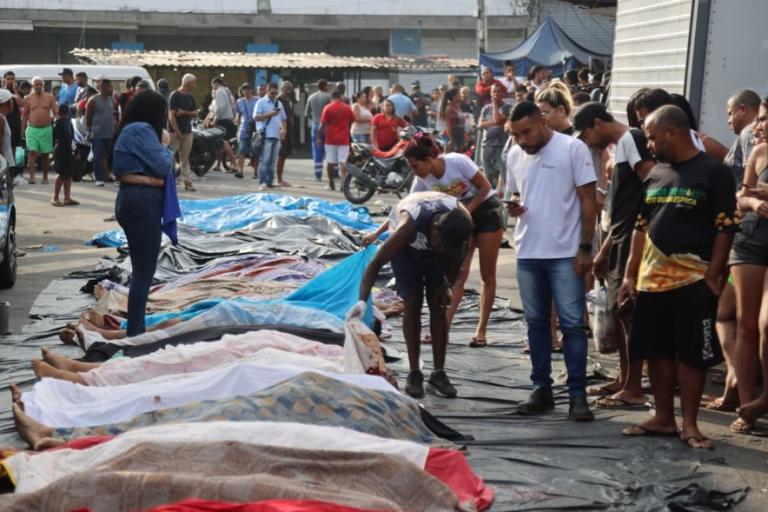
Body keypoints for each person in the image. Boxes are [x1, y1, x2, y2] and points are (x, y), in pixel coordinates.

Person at [618, 105, 738, 450]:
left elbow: (725, 228)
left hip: (694, 281)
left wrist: (714, 275)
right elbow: (641, 229)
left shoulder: (713, 172)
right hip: (652, 282)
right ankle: (663, 418)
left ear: (672, 132)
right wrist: (630, 275)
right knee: (655, 350)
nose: (649, 145)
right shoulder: (655, 174)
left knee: (691, 355)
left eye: (653, 138)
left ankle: (689, 424)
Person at [505, 101, 597, 421]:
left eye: (526, 132)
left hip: (565, 253)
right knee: (537, 324)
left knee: (572, 325)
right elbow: (515, 193)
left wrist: (585, 247)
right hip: (528, 252)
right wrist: (514, 205)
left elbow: (589, 200)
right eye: (515, 134)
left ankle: (577, 395)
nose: (521, 140)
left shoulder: (573, 149)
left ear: (544, 121)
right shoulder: (515, 154)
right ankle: (541, 389)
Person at [575, 102, 655, 409]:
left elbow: (652, 186)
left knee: (627, 311)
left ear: (598, 123)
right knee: (620, 312)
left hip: (633, 239)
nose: (586, 142)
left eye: (585, 134)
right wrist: (607, 247)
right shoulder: (622, 145)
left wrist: (637, 235)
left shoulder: (632, 138)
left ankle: (634, 387)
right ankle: (624, 379)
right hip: (621, 238)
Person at [356, 191, 472, 398]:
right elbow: (375, 264)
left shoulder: (461, 224)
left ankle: (438, 374)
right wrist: (361, 302)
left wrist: (447, 284)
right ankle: (414, 372)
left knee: (438, 305)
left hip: (436, 251)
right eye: (440, 243)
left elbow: (457, 258)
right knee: (412, 302)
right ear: (435, 228)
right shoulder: (407, 227)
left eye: (447, 247)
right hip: (406, 252)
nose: (441, 248)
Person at [407, 134, 502, 348]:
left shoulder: (457, 162)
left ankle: (481, 331)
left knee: (487, 273)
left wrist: (466, 212)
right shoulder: (421, 180)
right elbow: (409, 206)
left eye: (415, 166)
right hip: (460, 219)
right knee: (459, 274)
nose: (414, 171)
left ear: (429, 160)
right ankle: (444, 329)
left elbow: (485, 187)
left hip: (486, 210)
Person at [112, 90, 177, 337]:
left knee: (142, 270)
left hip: (135, 200)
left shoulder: (132, 129)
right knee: (143, 271)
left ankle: (136, 329)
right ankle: (135, 333)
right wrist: (166, 145)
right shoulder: (141, 130)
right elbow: (164, 167)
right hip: (141, 202)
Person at [730, 96, 768, 432]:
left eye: (765, 119)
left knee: (766, 323)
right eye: (759, 119)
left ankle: (765, 397)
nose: (759, 125)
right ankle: (745, 405)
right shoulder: (757, 153)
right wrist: (754, 201)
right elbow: (739, 198)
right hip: (750, 240)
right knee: (746, 324)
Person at [22, 76, 57, 185]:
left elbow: (56, 113)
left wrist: (59, 122)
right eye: (36, 84)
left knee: (45, 154)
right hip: (32, 129)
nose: (38, 86)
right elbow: (24, 115)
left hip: (46, 129)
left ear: (43, 85)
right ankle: (32, 177)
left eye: (40, 84)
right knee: (32, 152)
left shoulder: (50, 97)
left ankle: (45, 177)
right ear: (32, 86)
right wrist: (22, 129)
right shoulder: (28, 98)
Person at [317, 90, 355, 191]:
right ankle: (343, 183)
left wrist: (319, 138)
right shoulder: (347, 108)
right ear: (340, 97)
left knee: (330, 161)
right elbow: (353, 119)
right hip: (344, 138)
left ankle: (331, 183)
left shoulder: (327, 108)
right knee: (343, 161)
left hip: (331, 138)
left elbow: (322, 125)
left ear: (331, 98)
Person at [253, 82, 287, 191]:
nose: (274, 95)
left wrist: (284, 130)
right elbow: (256, 118)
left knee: (273, 161)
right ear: (267, 90)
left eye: (276, 93)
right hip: (266, 134)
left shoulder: (279, 103)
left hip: (276, 135)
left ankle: (270, 181)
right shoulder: (261, 102)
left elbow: (283, 119)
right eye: (272, 93)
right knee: (265, 160)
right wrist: (270, 114)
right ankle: (262, 181)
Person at [168, 73, 199, 192]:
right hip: (174, 132)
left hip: (188, 131)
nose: (195, 85)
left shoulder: (191, 97)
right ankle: (168, 181)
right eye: (194, 83)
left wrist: (184, 113)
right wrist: (177, 130)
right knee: (169, 157)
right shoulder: (174, 95)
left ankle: (188, 183)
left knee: (185, 159)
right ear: (188, 83)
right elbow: (171, 115)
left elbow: (196, 113)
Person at [479, 82, 512, 188]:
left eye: (498, 91)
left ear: (503, 93)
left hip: (501, 145)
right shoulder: (485, 109)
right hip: (487, 144)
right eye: (494, 91)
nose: (496, 94)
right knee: (488, 175)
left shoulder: (508, 107)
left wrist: (494, 105)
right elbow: (480, 125)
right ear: (490, 93)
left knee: (504, 174)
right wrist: (495, 122)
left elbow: (498, 119)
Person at [86, 78, 118, 187]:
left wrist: (114, 125)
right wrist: (89, 130)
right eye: (110, 87)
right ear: (104, 88)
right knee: (97, 156)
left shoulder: (111, 100)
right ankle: (99, 178)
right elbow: (88, 116)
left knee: (109, 155)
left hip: (109, 133)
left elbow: (113, 115)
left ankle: (110, 175)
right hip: (97, 133)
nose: (112, 89)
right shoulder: (93, 100)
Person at [725, 90, 761, 185]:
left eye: (730, 114)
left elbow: (753, 176)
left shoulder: (749, 132)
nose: (728, 121)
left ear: (742, 109)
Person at [50, 104, 79, 207]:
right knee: (62, 174)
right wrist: (76, 151)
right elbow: (69, 138)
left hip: (59, 148)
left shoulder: (56, 123)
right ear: (68, 112)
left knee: (68, 174)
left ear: (58, 112)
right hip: (65, 150)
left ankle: (67, 198)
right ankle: (56, 197)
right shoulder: (67, 123)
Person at [210, 77, 240, 173]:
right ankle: (220, 165)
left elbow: (220, 107)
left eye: (212, 86)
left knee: (224, 142)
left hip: (223, 120)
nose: (213, 88)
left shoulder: (220, 91)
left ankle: (235, 164)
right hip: (229, 120)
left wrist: (215, 119)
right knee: (222, 144)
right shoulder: (228, 93)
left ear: (215, 83)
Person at [305, 79, 332, 181]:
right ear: (325, 86)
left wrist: (315, 120)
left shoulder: (311, 97)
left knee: (317, 151)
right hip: (327, 126)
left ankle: (318, 175)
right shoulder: (329, 97)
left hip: (315, 125)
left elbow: (307, 114)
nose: (329, 87)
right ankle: (334, 172)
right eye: (328, 86)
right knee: (330, 150)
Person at [233, 82, 258, 181]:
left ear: (252, 90)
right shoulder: (240, 102)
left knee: (255, 152)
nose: (247, 91)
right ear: (242, 91)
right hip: (243, 129)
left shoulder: (257, 101)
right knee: (242, 150)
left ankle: (255, 171)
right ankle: (240, 171)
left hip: (255, 129)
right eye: (245, 89)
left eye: (248, 89)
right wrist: (238, 130)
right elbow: (238, 116)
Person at [2, 71, 25, 162]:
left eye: (12, 79)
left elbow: (22, 104)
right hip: (3, 122)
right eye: (8, 79)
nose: (10, 81)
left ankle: (12, 169)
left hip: (14, 123)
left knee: (13, 147)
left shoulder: (18, 93)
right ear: (4, 80)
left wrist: (15, 90)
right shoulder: (1, 92)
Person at [276, 81, 295, 187]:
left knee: (285, 155)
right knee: (281, 155)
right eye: (286, 89)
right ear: (282, 89)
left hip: (289, 131)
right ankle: (279, 179)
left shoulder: (289, 100)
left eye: (290, 89)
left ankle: (280, 178)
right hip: (282, 131)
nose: (288, 91)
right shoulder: (278, 101)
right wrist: (282, 132)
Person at [440, 88, 464, 153]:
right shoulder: (449, 108)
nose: (461, 96)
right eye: (459, 94)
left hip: (459, 136)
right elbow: (448, 125)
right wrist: (451, 140)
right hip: (450, 136)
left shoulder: (458, 107)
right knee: (449, 158)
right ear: (454, 96)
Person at [0, 89, 14, 166]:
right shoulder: (0, 119)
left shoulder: (3, 118)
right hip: (4, 163)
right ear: (7, 102)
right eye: (12, 101)